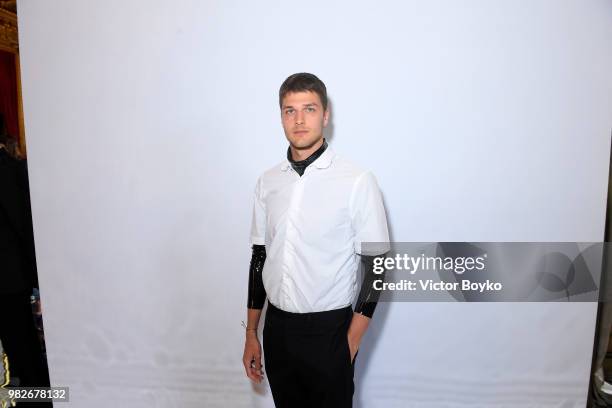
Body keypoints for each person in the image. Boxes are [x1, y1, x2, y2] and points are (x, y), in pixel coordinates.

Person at [242, 73, 390, 407]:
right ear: (280, 116)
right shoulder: (268, 182)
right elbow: (260, 257)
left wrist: (351, 340)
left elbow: (379, 265)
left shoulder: (356, 180)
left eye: (309, 109)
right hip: (277, 330)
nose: (299, 120)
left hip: (329, 332)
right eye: (289, 110)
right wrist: (251, 333)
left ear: (325, 115)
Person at [0, 113, 52, 407]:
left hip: (9, 280)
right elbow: (23, 225)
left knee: (19, 350)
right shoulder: (9, 169)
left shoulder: (8, 169)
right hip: (10, 279)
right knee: (23, 350)